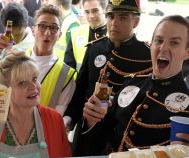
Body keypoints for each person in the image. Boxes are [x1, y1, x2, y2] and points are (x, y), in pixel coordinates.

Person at [75, 15, 189, 155]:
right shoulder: (131, 84)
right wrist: (91, 120)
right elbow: (101, 136)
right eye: (158, 41)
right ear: (151, 44)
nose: (163, 48)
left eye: (174, 43)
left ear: (187, 52)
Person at [0, 51, 72, 158]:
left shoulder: (54, 119)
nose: (33, 86)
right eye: (22, 83)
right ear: (5, 89)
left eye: (34, 78)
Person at [64, 0, 153, 134]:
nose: (114, 23)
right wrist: (69, 118)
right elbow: (80, 90)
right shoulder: (94, 48)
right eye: (111, 16)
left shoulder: (147, 56)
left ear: (135, 22)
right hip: (88, 129)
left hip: (121, 134)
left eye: (122, 17)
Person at [0, 4, 77, 115]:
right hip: (8, 129)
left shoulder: (67, 75)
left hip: (42, 131)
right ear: (33, 30)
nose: (47, 33)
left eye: (53, 28)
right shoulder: (15, 57)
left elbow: (58, 117)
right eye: (42, 26)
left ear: (60, 35)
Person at [64, 0, 107, 71]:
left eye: (95, 11)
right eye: (87, 12)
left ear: (105, 9)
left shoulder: (115, 34)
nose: (91, 16)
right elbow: (69, 67)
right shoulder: (76, 33)